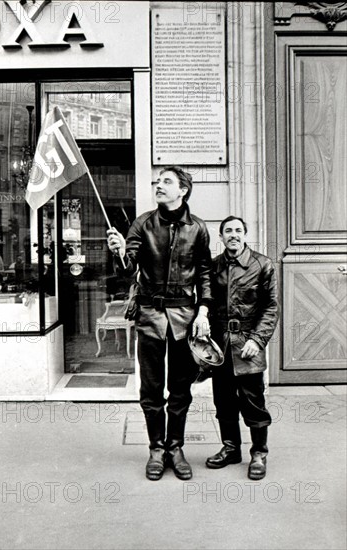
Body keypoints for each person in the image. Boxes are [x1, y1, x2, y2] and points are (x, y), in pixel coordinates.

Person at [107, 166, 212, 481]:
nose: (159, 185)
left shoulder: (198, 228)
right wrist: (120, 253)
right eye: (158, 181)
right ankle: (156, 449)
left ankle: (175, 448)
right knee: (151, 389)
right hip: (150, 315)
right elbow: (129, 269)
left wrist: (204, 312)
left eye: (167, 181)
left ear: (183, 190)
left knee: (180, 389)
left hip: (184, 317)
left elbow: (205, 272)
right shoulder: (143, 223)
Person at [206, 216, 279, 480]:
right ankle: (230, 448)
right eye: (228, 231)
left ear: (246, 234)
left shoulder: (262, 264)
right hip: (220, 346)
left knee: (253, 401)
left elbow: (271, 308)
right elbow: (207, 303)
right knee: (223, 401)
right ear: (221, 237)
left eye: (238, 230)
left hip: (248, 344)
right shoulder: (214, 267)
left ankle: (259, 452)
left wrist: (256, 340)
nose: (233, 235)